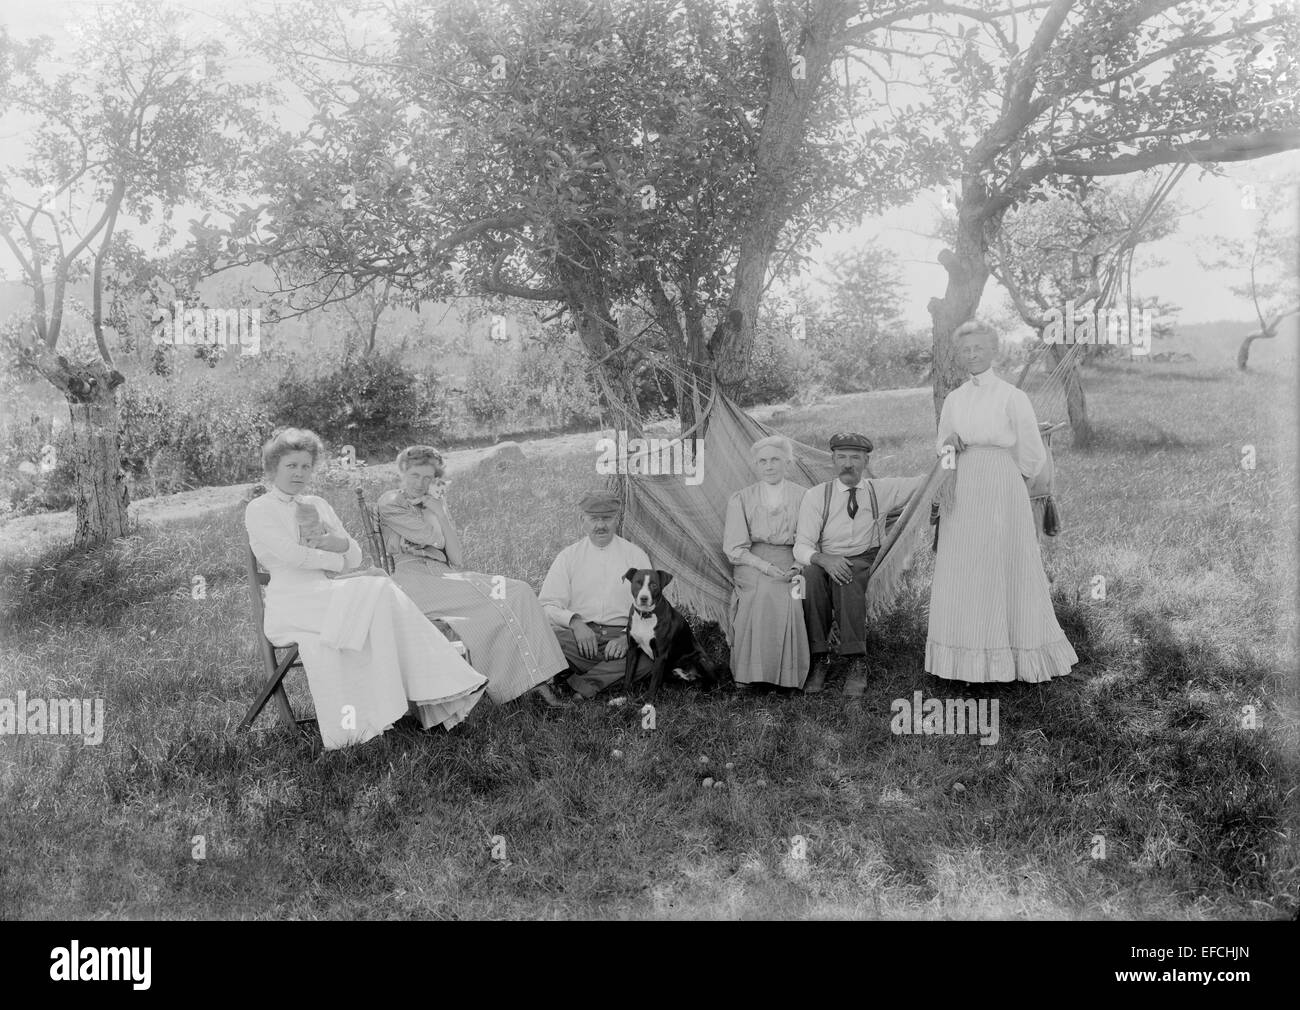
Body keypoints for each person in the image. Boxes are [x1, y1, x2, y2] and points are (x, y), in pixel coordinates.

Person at [244, 428, 486, 750]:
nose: (300, 473)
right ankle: (441, 693)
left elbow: (354, 555)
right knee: (380, 589)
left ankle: (422, 701)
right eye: (291, 466)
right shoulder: (260, 509)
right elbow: (293, 556)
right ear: (273, 468)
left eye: (305, 466)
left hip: (327, 595)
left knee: (379, 587)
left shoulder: (317, 503)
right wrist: (334, 553)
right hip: (293, 603)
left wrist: (339, 545)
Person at [926, 319, 1078, 682]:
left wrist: (1012, 482)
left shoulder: (1012, 396)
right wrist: (949, 446)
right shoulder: (954, 399)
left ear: (994, 351)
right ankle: (963, 659)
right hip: (962, 485)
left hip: (1001, 482)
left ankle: (1014, 655)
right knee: (965, 566)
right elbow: (940, 444)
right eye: (965, 350)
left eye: (979, 347)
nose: (972, 354)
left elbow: (1031, 452)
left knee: (1003, 561)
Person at [376, 445, 568, 707]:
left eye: (427, 478)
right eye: (414, 476)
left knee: (520, 590)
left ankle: (538, 679)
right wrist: (434, 526)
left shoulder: (433, 504)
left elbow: (456, 558)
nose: (420, 484)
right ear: (402, 472)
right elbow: (425, 536)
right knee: (496, 605)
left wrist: (440, 512)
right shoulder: (390, 501)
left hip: (443, 575)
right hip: (414, 581)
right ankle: (522, 686)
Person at [793, 432, 926, 693]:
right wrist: (824, 559)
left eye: (855, 457)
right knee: (808, 577)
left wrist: (948, 458)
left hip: (865, 559)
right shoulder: (817, 495)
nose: (848, 464)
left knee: (847, 576)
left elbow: (925, 482)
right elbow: (801, 545)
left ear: (865, 461)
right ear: (832, 460)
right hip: (827, 556)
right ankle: (819, 657)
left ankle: (855, 661)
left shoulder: (880, 490)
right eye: (841, 457)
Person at [538, 491, 653, 700]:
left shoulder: (636, 555)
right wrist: (575, 623)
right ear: (582, 520)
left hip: (622, 639)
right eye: (594, 519)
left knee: (652, 655)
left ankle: (578, 686)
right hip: (580, 640)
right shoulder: (568, 557)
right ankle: (604, 675)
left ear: (617, 519)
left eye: (607, 518)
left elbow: (651, 610)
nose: (601, 525)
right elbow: (547, 605)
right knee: (543, 639)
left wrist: (628, 638)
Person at [723, 435, 810, 690]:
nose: (769, 466)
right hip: (751, 563)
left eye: (775, 459)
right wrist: (766, 567)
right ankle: (751, 675)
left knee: (795, 596)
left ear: (787, 463)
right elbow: (734, 548)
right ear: (756, 465)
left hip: (792, 559)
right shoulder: (741, 498)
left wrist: (797, 565)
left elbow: (809, 540)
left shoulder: (804, 496)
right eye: (762, 461)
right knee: (762, 593)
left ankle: (788, 677)